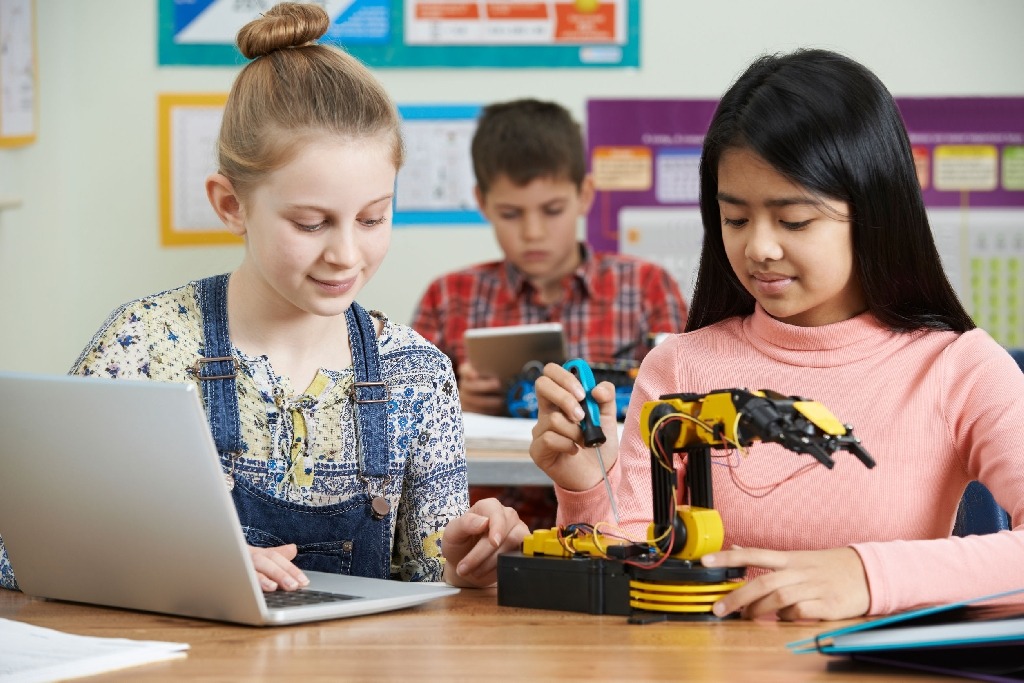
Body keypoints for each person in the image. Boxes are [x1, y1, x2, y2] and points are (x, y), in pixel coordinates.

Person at [0, 2, 526, 594]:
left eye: (374, 218)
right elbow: (16, 551)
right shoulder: (143, 348)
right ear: (231, 205)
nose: (347, 254)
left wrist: (467, 567)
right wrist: (182, 561)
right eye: (310, 224)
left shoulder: (417, 374)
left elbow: (435, 580)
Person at [529, 48, 1024, 621]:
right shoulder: (680, 368)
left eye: (794, 221)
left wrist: (867, 574)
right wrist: (588, 484)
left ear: (873, 210)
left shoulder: (959, 368)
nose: (758, 248)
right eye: (734, 219)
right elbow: (637, 576)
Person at [411, 98, 689, 417]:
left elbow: (683, 400)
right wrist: (450, 402)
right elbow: (405, 414)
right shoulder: (447, 298)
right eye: (511, 213)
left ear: (584, 196)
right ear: (482, 203)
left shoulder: (647, 287)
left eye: (552, 210)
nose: (533, 232)